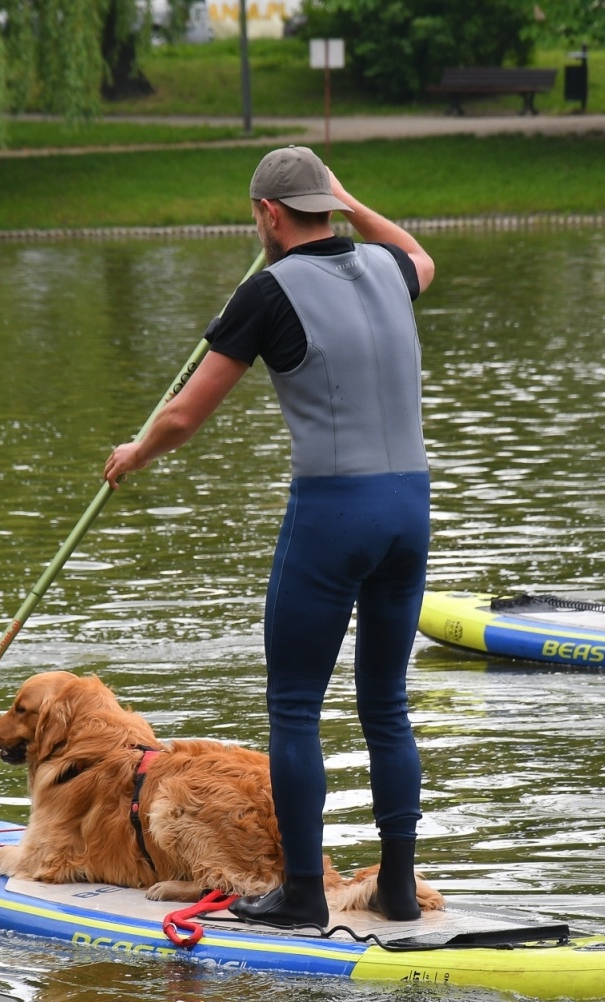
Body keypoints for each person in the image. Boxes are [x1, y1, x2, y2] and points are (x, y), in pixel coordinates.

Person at [102, 145, 435, 928]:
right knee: (385, 703)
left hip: (333, 513)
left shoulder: (266, 291)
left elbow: (184, 415)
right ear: (330, 205)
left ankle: (302, 895)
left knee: (293, 706)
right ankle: (397, 886)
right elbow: (421, 253)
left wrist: (135, 453)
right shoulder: (389, 270)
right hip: (411, 511)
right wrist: (352, 202)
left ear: (268, 215)